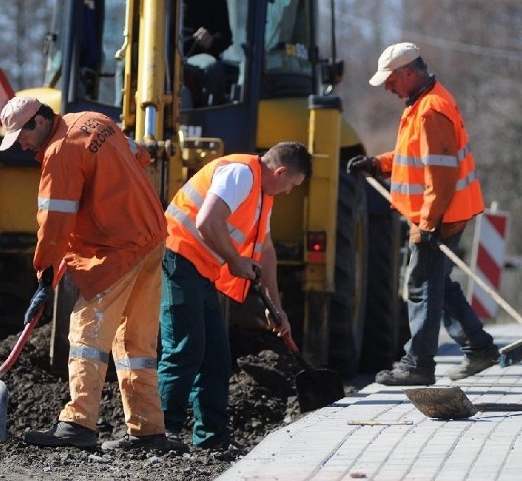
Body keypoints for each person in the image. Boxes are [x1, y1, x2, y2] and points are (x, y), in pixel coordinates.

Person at [0, 96, 172, 450]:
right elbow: (141, 154)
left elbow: (54, 222)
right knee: (136, 342)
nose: (21, 146)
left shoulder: (59, 153)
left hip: (116, 249)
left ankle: (78, 423)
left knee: (87, 335)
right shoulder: (93, 119)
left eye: (22, 137)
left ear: (39, 122)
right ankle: (148, 429)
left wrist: (45, 277)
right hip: (151, 237)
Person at [347, 42, 499, 386]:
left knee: (421, 286)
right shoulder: (421, 105)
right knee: (438, 284)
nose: (388, 87)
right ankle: (479, 347)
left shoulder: (431, 111)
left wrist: (429, 224)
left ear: (408, 73)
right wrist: (377, 164)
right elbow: (409, 157)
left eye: (390, 80)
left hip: (440, 216)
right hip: (441, 212)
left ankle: (418, 365)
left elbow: (441, 178)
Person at [158, 141, 312, 449]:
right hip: (178, 257)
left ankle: (212, 439)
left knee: (216, 356)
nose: (289, 192)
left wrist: (276, 307)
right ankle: (159, 431)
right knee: (185, 346)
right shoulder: (240, 175)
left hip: (202, 270)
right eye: (291, 184)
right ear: (280, 172)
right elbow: (206, 221)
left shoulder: (262, 197)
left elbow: (266, 253)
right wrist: (234, 260)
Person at [182, 0, 233, 107]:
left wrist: (211, 40)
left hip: (196, 57)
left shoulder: (214, 3)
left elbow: (226, 37)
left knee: (213, 68)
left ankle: (207, 117)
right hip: (163, 57)